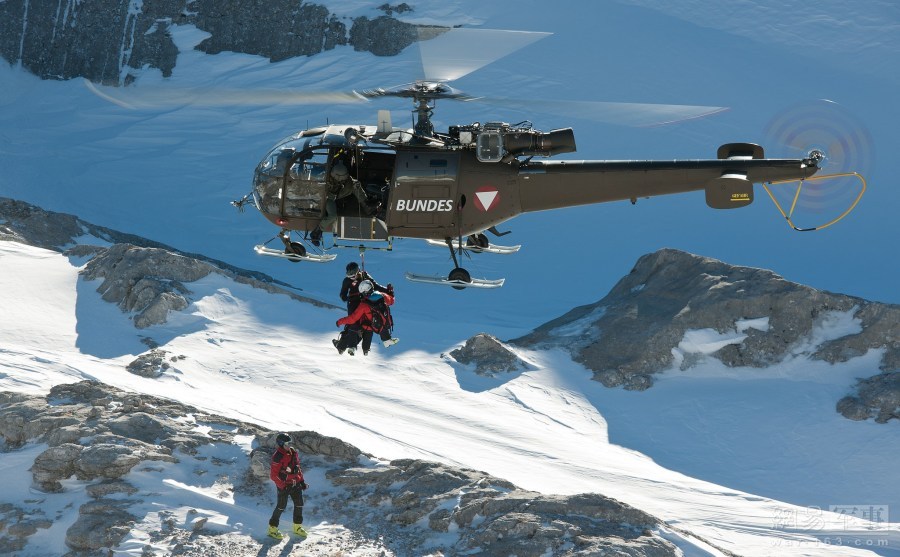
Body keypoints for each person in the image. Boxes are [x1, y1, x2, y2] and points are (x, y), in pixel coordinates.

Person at [334, 262, 390, 356]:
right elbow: (342, 294)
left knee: (365, 324)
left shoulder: (364, 276)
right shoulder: (347, 281)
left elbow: (375, 285)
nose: (351, 277)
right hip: (353, 303)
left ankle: (345, 346)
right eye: (349, 275)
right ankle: (344, 346)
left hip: (364, 302)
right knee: (353, 323)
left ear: (358, 271)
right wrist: (347, 298)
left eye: (353, 275)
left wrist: (387, 290)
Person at [267, 433, 308, 540]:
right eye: (287, 443)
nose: (289, 445)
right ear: (281, 444)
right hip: (284, 486)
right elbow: (273, 475)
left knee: (299, 504)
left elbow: (298, 468)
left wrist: (302, 481)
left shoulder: (293, 452)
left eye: (290, 443)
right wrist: (282, 485)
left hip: (295, 483)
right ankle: (272, 529)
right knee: (281, 506)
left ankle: (297, 527)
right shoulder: (278, 456)